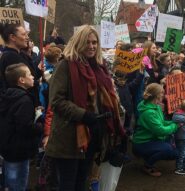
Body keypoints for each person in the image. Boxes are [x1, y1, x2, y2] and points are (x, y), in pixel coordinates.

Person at [45, 25, 125, 191]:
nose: (91, 46)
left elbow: (105, 97)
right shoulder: (65, 66)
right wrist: (83, 115)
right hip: (69, 137)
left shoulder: (99, 67)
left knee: (82, 183)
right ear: (78, 43)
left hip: (92, 135)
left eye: (94, 42)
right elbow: (57, 101)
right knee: (68, 185)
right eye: (87, 42)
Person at [0, 63, 41, 191]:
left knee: (10, 181)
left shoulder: (7, 96)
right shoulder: (24, 100)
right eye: (29, 74)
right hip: (19, 149)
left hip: (7, 147)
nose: (33, 77)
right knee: (18, 184)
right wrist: (40, 125)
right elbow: (25, 127)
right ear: (21, 80)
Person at [132, 83, 178, 177]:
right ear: (156, 96)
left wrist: (174, 122)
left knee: (174, 151)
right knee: (170, 151)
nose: (164, 96)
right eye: (162, 93)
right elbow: (160, 130)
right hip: (142, 143)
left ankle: (148, 156)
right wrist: (175, 126)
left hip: (150, 139)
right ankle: (147, 166)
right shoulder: (149, 113)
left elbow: (162, 122)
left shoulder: (155, 106)